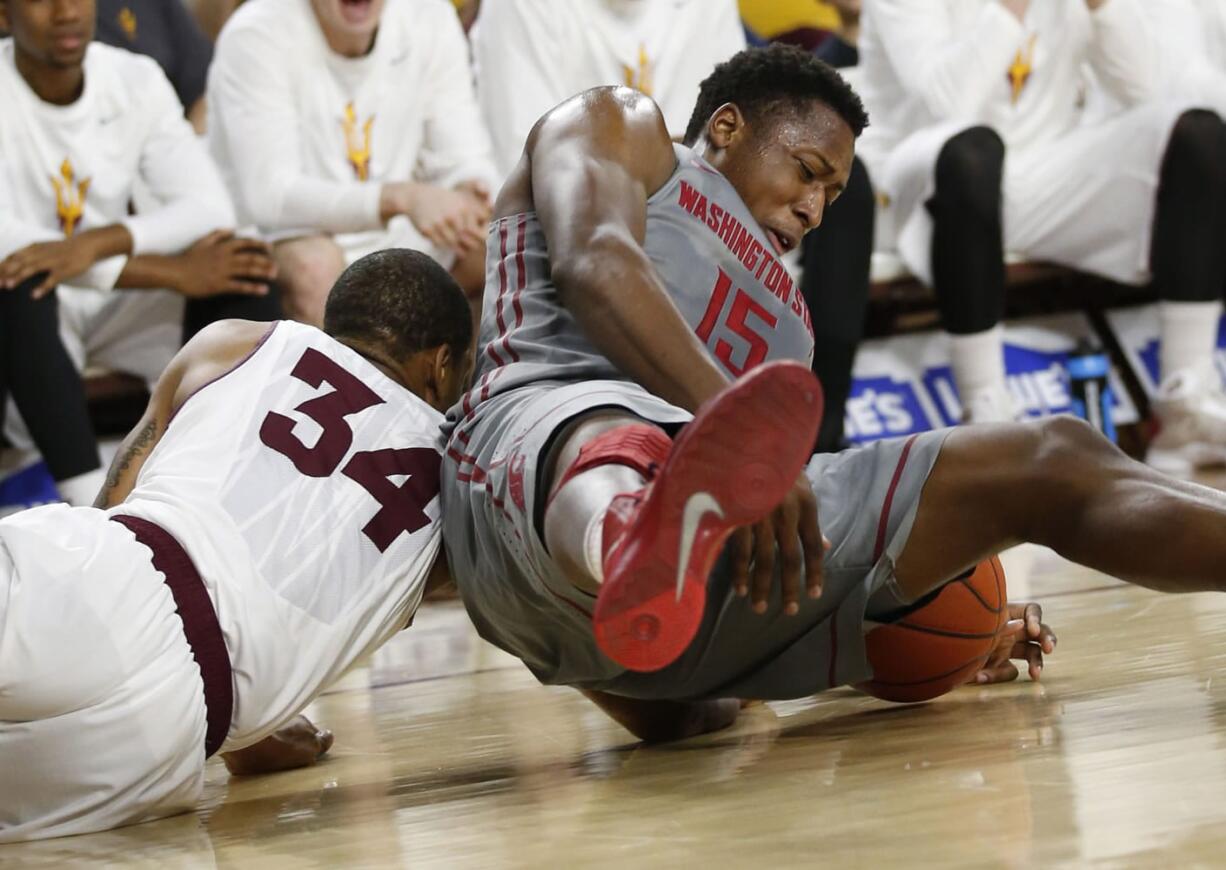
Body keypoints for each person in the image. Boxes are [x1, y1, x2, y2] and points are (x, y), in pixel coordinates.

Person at [440, 44, 1226, 741]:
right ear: (726, 128)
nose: (815, 207)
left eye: (835, 196)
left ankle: (645, 568)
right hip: (526, 453)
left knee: (1055, 458)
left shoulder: (793, 329)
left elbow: (776, 542)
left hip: (628, 641)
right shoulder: (626, 129)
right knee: (624, 435)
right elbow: (594, 259)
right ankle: (627, 538)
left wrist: (920, 619)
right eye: (808, 172)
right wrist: (735, 427)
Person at [0, 248, 475, 841]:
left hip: (102, 575)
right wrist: (259, 730)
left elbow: (114, 504)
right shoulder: (456, 487)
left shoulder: (238, 342)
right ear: (442, 363)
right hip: (173, 729)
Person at [855, 0, 1226, 474]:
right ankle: (985, 411)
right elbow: (947, 102)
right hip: (922, 172)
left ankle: (1186, 402)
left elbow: (1148, 91)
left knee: (1194, 130)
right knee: (972, 150)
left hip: (1042, 170)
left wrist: (1102, 9)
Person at [0, 0, 277, 507]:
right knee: (17, 284)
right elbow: (10, 248)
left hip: (111, 305)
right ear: (4, 16)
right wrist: (170, 272)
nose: (66, 12)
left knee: (243, 266)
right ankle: (92, 510)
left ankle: (217, 489)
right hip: (31, 325)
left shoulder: (134, 77)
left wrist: (93, 244)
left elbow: (207, 206)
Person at [207, 0, 498, 326]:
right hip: (288, 235)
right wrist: (398, 198)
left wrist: (471, 188)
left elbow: (464, 154)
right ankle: (338, 378)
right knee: (315, 268)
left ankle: (457, 377)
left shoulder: (429, 15)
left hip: (399, 232)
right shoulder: (255, 34)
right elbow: (271, 199)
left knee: (494, 247)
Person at [472, 0, 747, 179]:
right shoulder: (517, 6)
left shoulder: (710, 6)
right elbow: (532, 166)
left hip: (702, 225)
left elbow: (736, 151)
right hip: (572, 236)